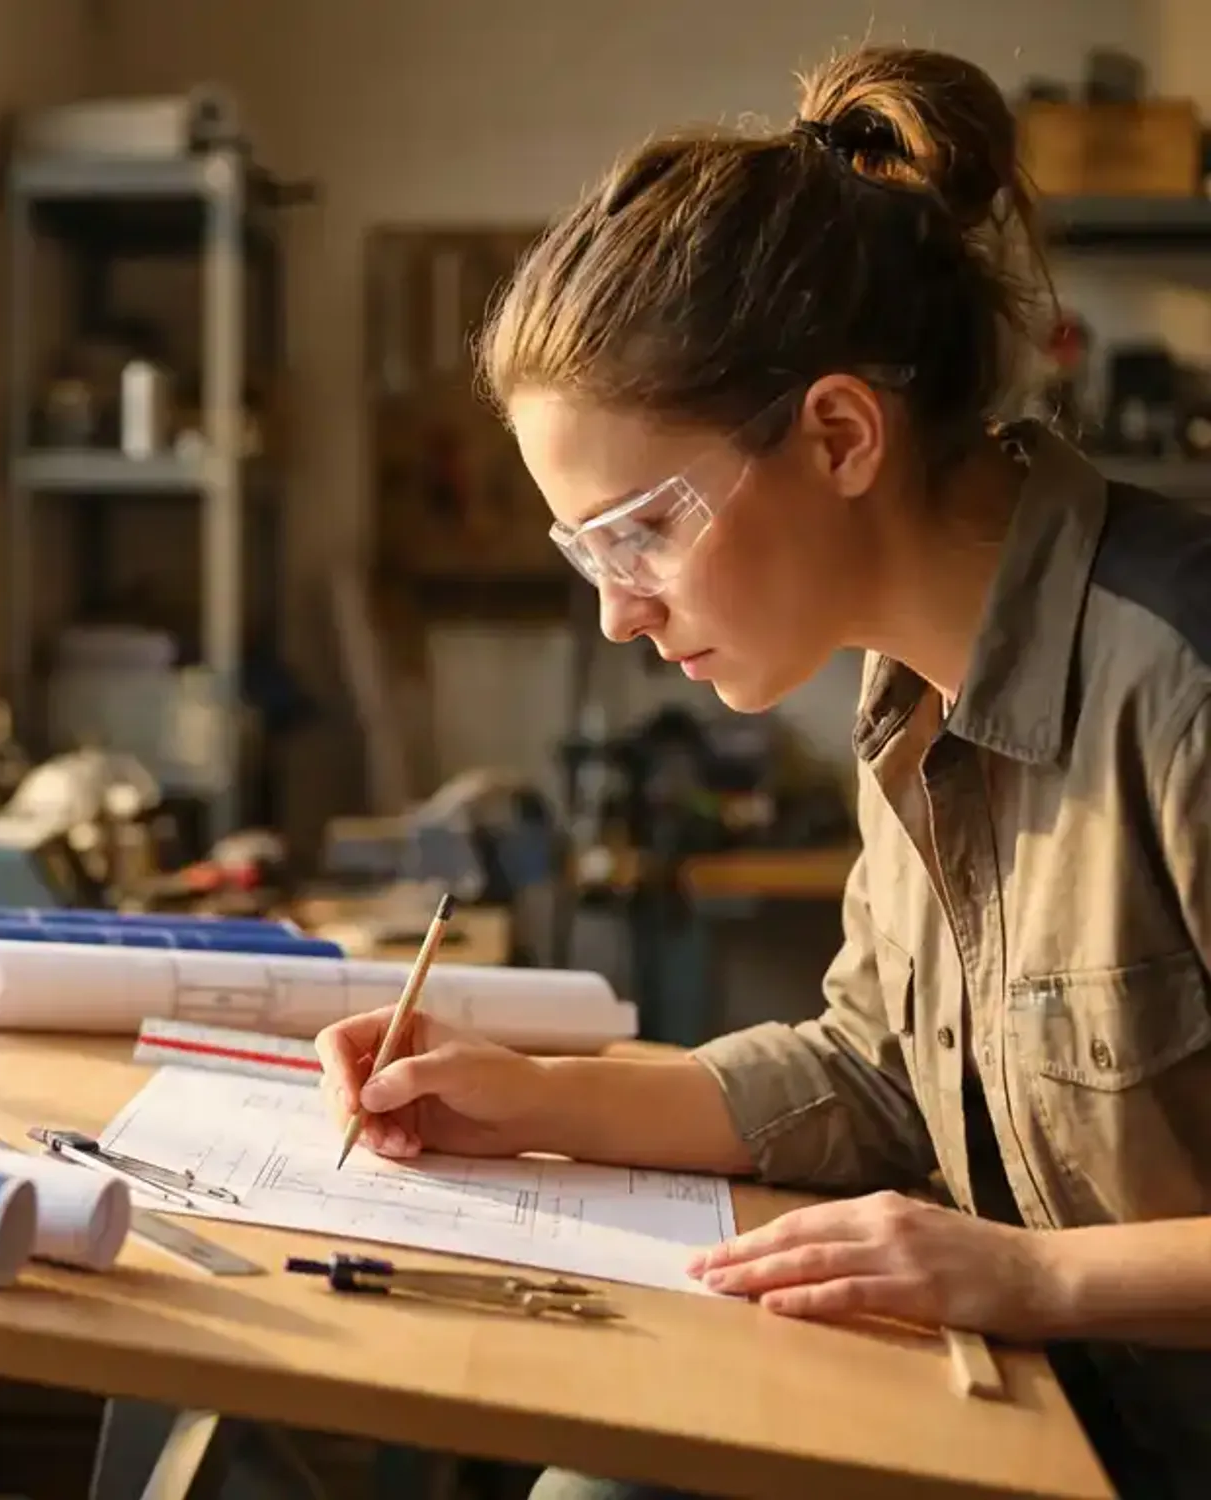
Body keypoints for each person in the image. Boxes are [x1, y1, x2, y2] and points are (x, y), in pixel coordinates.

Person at [316, 42, 1211, 1500]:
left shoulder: (1180, 684)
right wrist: (528, 1100)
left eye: (641, 534)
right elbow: (873, 1068)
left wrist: (1035, 1277)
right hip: (1034, 1424)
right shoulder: (908, 681)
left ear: (842, 435)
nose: (618, 610)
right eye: (584, 552)